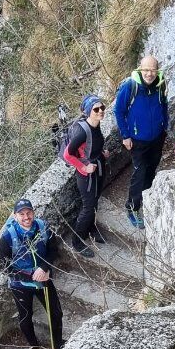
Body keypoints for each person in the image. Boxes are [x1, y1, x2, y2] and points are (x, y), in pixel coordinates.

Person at [0, 199, 64, 349]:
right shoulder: (8, 237)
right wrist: (32, 276)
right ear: (15, 215)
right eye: (22, 214)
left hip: (44, 278)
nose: (26, 217)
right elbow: (5, 267)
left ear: (33, 212)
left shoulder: (43, 227)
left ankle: (58, 344)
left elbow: (53, 250)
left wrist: (44, 267)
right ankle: (34, 347)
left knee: (56, 313)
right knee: (26, 318)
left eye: (29, 213)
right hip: (20, 285)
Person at [114, 56, 169, 229]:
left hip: (156, 137)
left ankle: (146, 199)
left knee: (151, 170)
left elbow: (164, 105)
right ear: (140, 69)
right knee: (140, 172)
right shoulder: (130, 86)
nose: (149, 73)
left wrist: (164, 126)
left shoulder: (160, 84)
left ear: (157, 70)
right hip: (137, 140)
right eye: (146, 70)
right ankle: (132, 207)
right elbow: (118, 110)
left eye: (153, 70)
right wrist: (125, 135)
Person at [62, 94, 110, 258]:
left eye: (102, 107)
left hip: (97, 168)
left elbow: (90, 146)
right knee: (88, 207)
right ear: (89, 111)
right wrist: (84, 167)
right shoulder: (82, 131)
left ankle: (92, 228)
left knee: (95, 201)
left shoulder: (96, 124)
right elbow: (68, 155)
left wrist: (101, 153)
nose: (101, 111)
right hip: (86, 176)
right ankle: (76, 241)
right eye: (96, 109)